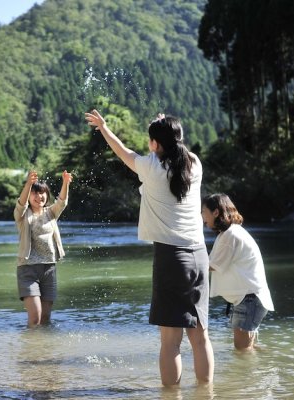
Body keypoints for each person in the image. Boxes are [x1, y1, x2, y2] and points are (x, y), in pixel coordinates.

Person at [85, 110, 214, 386]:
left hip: (171, 257)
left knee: (170, 343)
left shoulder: (152, 169)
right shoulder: (195, 164)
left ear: (155, 144)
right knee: (201, 337)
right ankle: (207, 394)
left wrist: (104, 128)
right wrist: (165, 128)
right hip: (200, 256)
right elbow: (174, 146)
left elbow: (123, 152)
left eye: (151, 140)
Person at [201, 193, 274, 351]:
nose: (202, 217)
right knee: (247, 348)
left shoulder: (230, 235)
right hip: (249, 299)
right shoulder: (229, 233)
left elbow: (211, 265)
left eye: (203, 212)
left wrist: (184, 260)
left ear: (215, 212)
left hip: (249, 299)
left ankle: (251, 376)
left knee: (242, 350)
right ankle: (265, 370)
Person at [14, 170, 72, 328]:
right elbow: (21, 203)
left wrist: (65, 182)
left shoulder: (51, 213)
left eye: (42, 193)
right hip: (28, 270)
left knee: (45, 319)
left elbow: (62, 202)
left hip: (49, 269)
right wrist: (28, 184)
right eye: (35, 193)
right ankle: (32, 350)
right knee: (35, 318)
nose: (39, 197)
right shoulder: (22, 215)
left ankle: (44, 350)